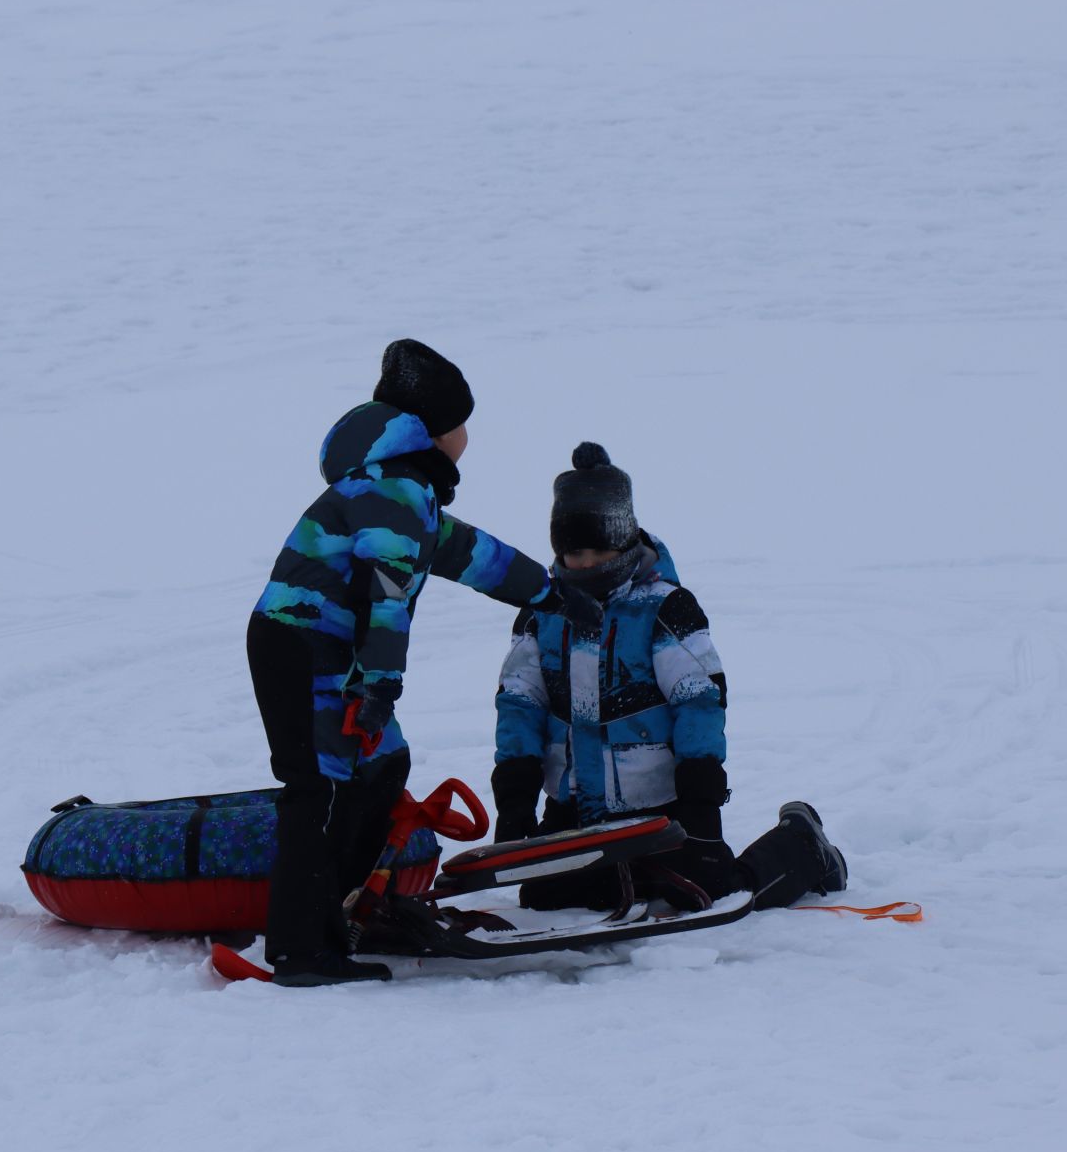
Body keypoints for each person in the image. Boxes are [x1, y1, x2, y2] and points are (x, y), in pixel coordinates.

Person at [249, 340, 589, 986]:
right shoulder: (395, 494)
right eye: (463, 425)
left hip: (323, 651)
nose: (468, 437)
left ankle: (338, 914)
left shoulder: (406, 494)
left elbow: (472, 554)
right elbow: (388, 595)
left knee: (380, 766)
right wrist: (381, 688)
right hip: (299, 646)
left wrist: (550, 593)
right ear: (435, 430)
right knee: (317, 790)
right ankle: (300, 949)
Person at [490, 442, 849, 912]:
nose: (585, 563)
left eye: (598, 549)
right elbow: (520, 702)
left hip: (663, 807)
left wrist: (701, 796)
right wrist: (516, 797)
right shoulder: (542, 615)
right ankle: (627, 877)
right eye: (574, 552)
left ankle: (803, 846)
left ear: (623, 540)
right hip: (574, 810)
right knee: (547, 896)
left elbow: (698, 701)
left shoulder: (664, 608)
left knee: (708, 892)